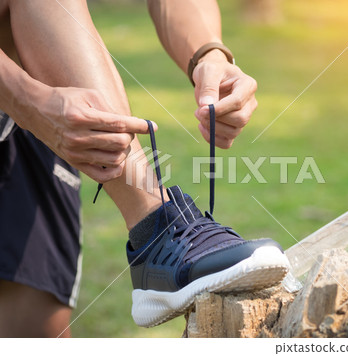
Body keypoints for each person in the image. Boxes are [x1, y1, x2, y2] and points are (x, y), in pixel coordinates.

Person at [0, 0, 288, 337]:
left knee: (34, 332)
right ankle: (153, 225)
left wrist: (209, 54)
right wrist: (26, 101)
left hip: (31, 107)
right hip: (25, 98)